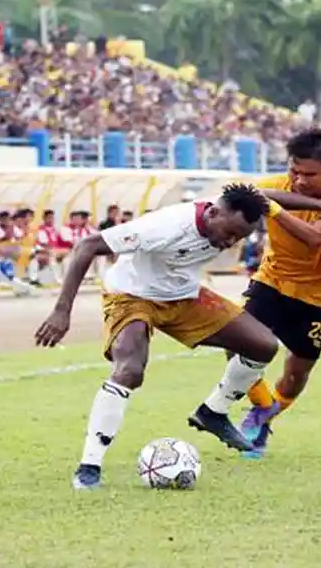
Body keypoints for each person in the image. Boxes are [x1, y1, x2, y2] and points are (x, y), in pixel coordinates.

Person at [35, 184, 299, 490]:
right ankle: (89, 466)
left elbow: (270, 196)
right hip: (133, 296)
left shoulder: (229, 212)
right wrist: (61, 310)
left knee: (263, 345)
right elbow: (87, 246)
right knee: (130, 370)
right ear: (213, 212)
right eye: (229, 233)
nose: (229, 243)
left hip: (184, 297)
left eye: (238, 238)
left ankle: (212, 413)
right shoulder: (165, 226)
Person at [236, 128, 321, 458]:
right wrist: (276, 201)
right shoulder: (275, 185)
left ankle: (265, 418)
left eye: (310, 175)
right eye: (295, 171)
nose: (301, 180)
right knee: (237, 343)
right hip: (272, 280)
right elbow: (249, 194)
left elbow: (314, 238)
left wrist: (273, 208)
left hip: (318, 295)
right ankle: (261, 409)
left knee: (296, 374)